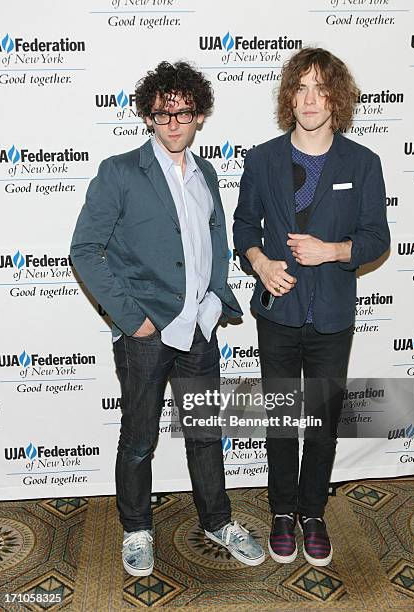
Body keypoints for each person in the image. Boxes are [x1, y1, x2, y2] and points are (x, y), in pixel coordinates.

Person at [70, 61, 265, 577]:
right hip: (147, 336)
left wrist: (217, 297)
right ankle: (136, 528)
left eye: (184, 112)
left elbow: (215, 241)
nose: (174, 122)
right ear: (148, 117)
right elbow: (85, 250)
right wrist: (132, 319)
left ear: (199, 115)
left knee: (205, 432)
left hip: (199, 330)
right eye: (163, 113)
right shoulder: (119, 172)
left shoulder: (207, 174)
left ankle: (217, 521)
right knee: (138, 438)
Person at [233, 47, 390, 567]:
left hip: (331, 316)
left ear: (337, 98)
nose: (310, 99)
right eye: (300, 87)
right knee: (281, 418)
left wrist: (333, 251)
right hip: (277, 313)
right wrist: (259, 262)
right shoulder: (261, 158)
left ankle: (312, 512)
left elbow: (376, 238)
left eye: (321, 88)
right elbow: (242, 228)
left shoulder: (363, 163)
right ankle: (281, 512)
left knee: (321, 420)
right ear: (288, 97)